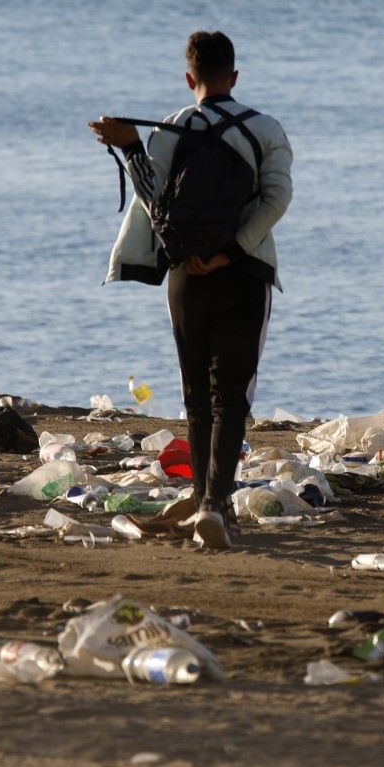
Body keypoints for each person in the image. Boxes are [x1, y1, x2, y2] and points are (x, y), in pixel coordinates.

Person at [89, 31, 293, 550]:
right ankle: (214, 505)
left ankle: (205, 497)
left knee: (196, 395)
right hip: (245, 274)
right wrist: (232, 251)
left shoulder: (172, 127)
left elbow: (154, 199)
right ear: (235, 76)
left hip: (184, 276)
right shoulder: (265, 129)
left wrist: (130, 146)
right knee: (233, 396)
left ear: (189, 78)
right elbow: (276, 199)